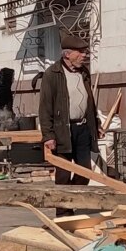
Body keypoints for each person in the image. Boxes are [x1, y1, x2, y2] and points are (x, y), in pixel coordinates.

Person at [39, 32, 98, 186]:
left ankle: (73, 199)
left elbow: (90, 101)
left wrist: (96, 124)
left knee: (85, 172)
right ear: (67, 54)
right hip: (62, 131)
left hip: (83, 129)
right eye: (80, 52)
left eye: (85, 51)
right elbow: (45, 107)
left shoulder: (84, 72)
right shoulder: (52, 74)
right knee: (64, 174)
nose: (84, 55)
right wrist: (48, 135)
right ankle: (64, 209)